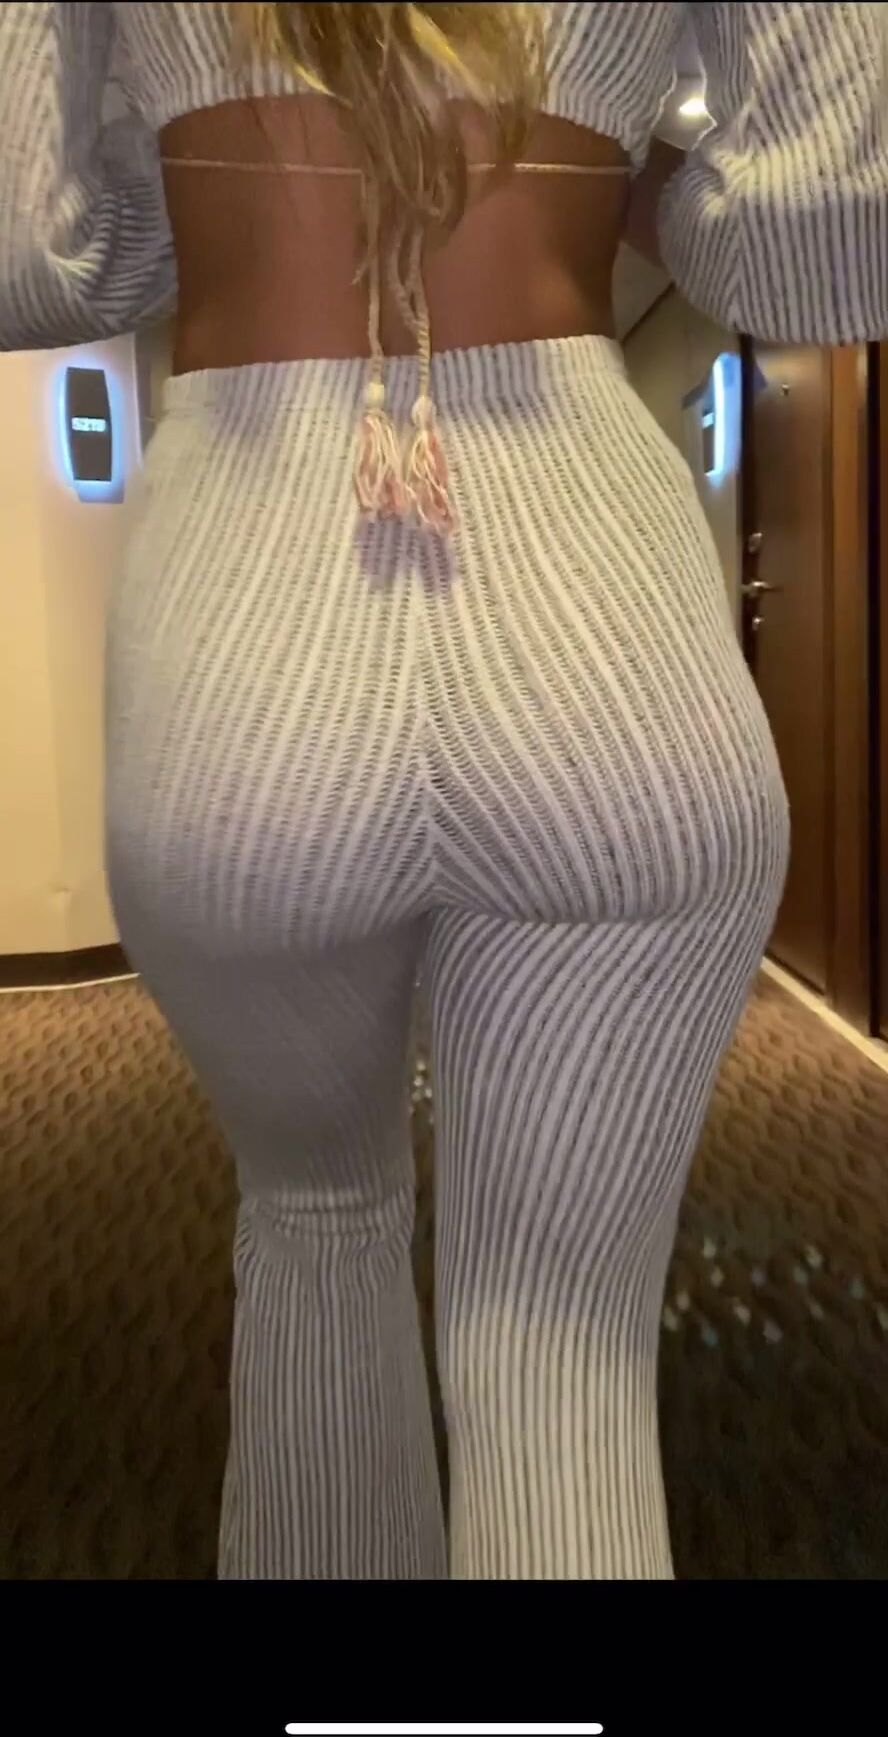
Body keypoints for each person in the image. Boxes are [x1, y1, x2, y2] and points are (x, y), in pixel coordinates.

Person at [1, 1, 885, 1583]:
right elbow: (839, 235)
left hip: (246, 622)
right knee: (563, 1351)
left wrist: (197, 167)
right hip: (601, 622)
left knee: (316, 1232)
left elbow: (24, 247)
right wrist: (621, 169)